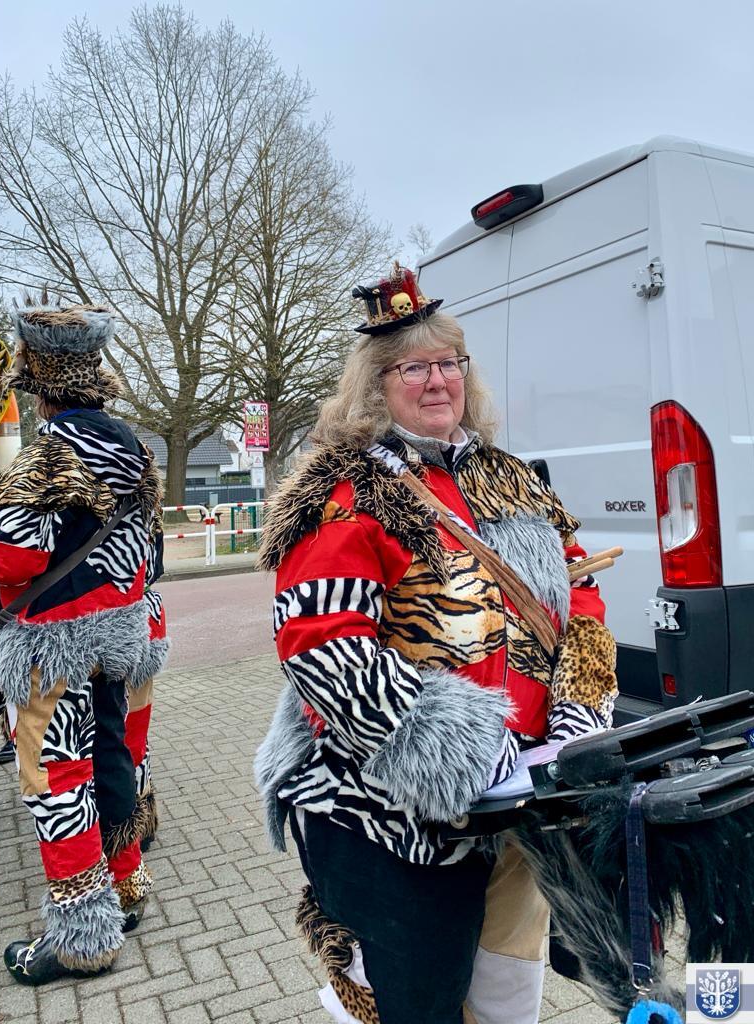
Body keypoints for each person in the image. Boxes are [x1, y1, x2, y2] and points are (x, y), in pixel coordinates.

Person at [255, 264, 618, 1024]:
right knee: (415, 1002)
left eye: (449, 363)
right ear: (374, 385)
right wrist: (459, 751)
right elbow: (322, 647)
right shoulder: (343, 491)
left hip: (523, 804)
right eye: (412, 368)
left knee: (507, 990)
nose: (436, 381)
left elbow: (579, 592)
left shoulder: (511, 477)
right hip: (393, 817)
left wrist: (577, 718)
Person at [0, 301, 169, 985]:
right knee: (112, 759)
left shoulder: (46, 455)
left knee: (56, 781)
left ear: (38, 380)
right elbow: (146, 544)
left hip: (52, 645)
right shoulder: (131, 446)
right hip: (118, 633)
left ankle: (84, 937)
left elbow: (13, 559)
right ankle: (126, 886)